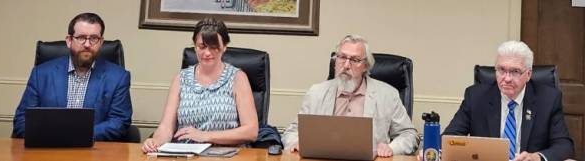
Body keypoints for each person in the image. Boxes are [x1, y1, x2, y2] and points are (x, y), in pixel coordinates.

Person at [280, 35, 418, 157]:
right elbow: (291, 132)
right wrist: (297, 142)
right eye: (342, 57)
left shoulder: (387, 95)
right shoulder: (316, 93)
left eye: (354, 60)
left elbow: (409, 135)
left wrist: (391, 148)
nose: (346, 65)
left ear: (365, 66)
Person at [440, 41, 573, 161]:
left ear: (528, 74)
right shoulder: (476, 97)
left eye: (515, 71)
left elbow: (564, 145)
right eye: (502, 70)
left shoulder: (548, 99)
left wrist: (536, 157)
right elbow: (449, 138)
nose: (507, 78)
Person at [141, 17, 258, 153]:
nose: (207, 53)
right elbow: (166, 127)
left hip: (226, 154)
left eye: (214, 47)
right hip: (186, 153)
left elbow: (251, 131)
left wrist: (206, 136)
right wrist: (156, 141)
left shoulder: (237, 78)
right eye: (202, 47)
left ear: (225, 46)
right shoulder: (181, 79)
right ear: (195, 46)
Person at [11, 12, 132, 141]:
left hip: (94, 150)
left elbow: (119, 122)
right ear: (69, 41)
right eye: (81, 37)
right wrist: (55, 137)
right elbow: (22, 120)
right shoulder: (41, 74)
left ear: (101, 42)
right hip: (48, 149)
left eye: (94, 38)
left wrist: (75, 135)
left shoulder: (118, 77)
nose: (87, 44)